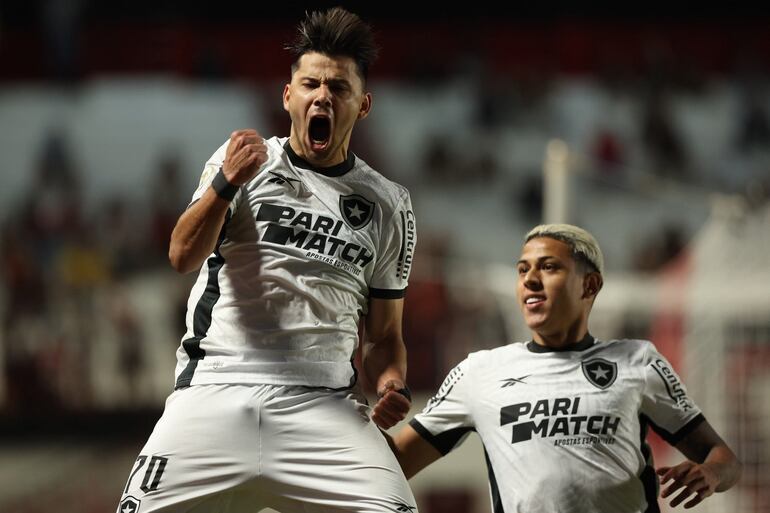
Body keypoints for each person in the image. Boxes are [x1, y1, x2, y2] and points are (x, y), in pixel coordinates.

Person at [117, 7, 418, 513]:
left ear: (362, 106)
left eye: (339, 88)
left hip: (324, 405)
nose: (323, 95)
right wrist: (225, 183)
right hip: (216, 390)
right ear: (289, 96)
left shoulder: (389, 203)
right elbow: (181, 255)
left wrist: (390, 383)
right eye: (311, 84)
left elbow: (386, 338)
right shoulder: (241, 162)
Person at [388, 224, 740, 512]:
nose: (530, 279)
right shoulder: (479, 372)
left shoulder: (638, 360)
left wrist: (709, 473)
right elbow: (394, 462)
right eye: (523, 269)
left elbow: (724, 458)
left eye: (549, 267)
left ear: (590, 285)